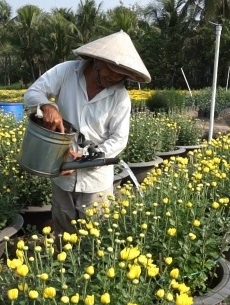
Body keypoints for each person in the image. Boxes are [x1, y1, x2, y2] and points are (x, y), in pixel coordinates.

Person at [24, 31, 151, 235]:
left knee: (96, 238)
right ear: (98, 61)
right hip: (61, 172)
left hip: (95, 181)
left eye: (121, 75)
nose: (114, 78)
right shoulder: (66, 72)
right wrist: (47, 106)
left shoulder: (120, 97)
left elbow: (119, 139)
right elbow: (32, 93)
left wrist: (84, 158)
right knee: (63, 234)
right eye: (110, 71)